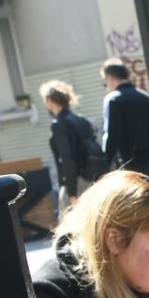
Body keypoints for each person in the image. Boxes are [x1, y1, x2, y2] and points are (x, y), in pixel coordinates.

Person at [42, 78, 104, 219]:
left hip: (75, 182)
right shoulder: (82, 120)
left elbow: (67, 159)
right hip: (92, 178)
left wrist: (71, 193)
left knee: (67, 228)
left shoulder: (58, 124)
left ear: (50, 101)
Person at [99, 58, 149, 178]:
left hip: (133, 163)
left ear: (109, 77)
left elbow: (112, 135)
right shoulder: (146, 97)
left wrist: (105, 164)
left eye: (105, 82)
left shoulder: (113, 100)